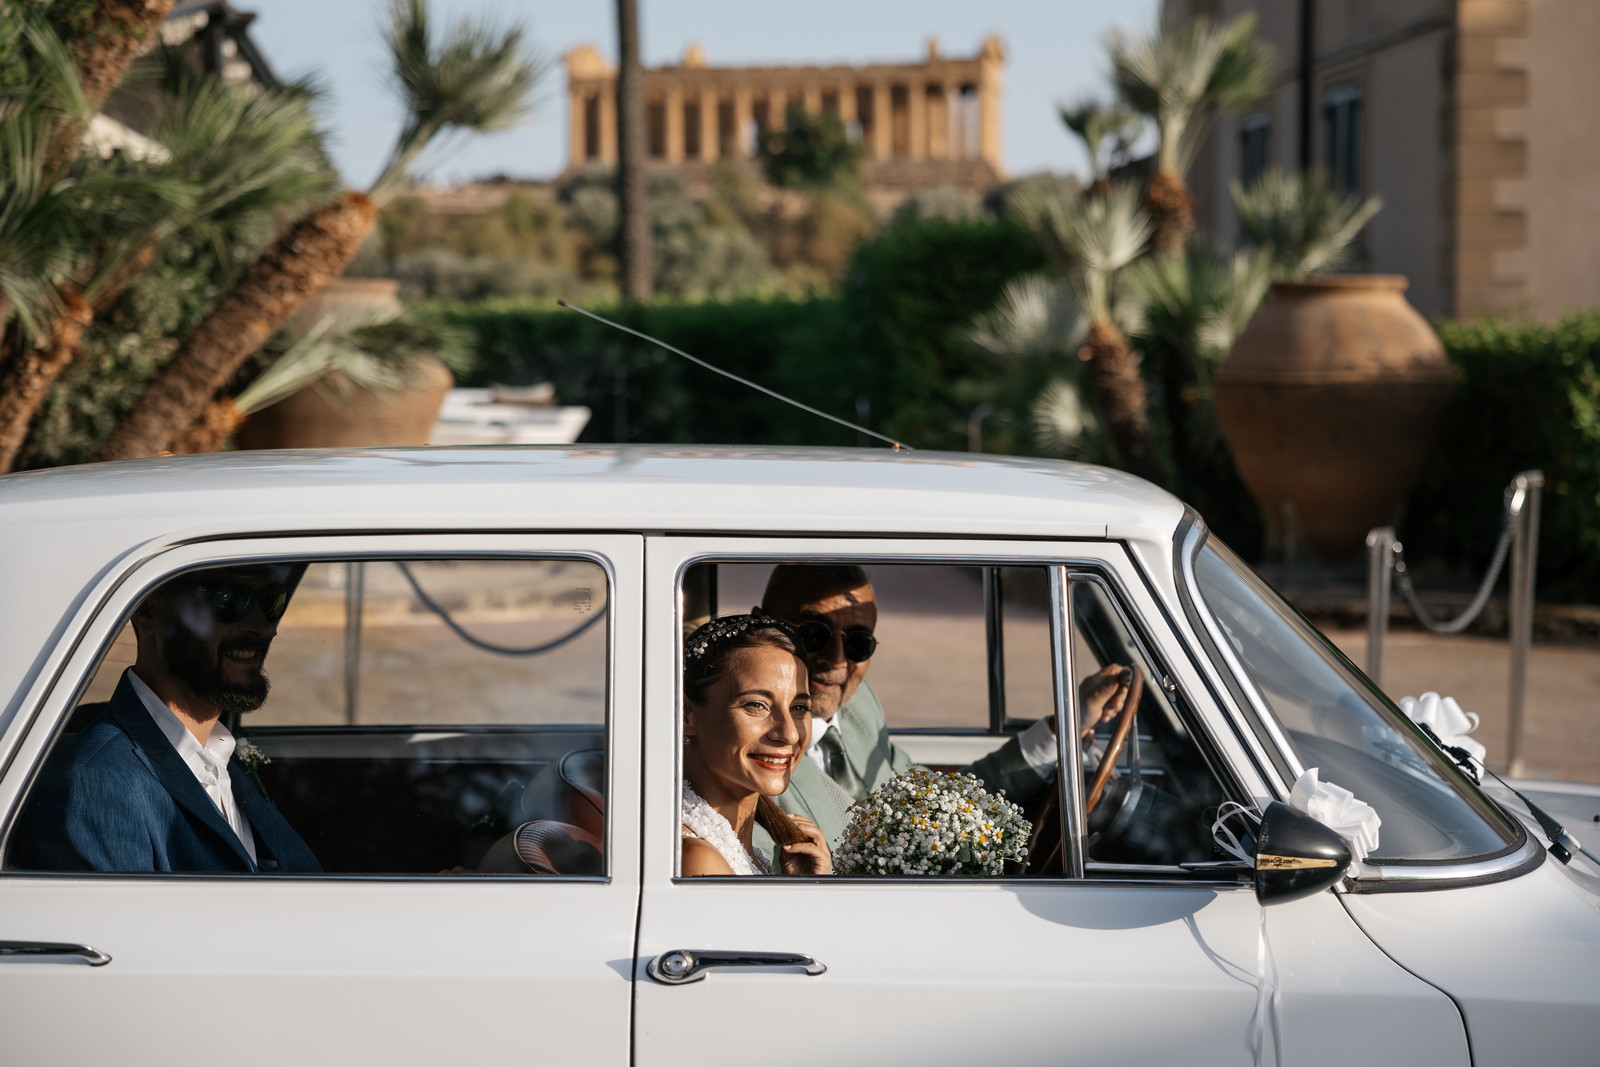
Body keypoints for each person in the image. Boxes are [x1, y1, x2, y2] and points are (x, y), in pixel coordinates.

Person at [751, 564, 1131, 866]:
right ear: (761, 624)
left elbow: (934, 802)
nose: (836, 660)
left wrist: (1067, 723)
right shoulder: (748, 747)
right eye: (812, 633)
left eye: (858, 643)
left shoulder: (858, 704)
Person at [9, 564, 320, 874]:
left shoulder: (222, 754)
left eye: (272, 601)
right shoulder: (96, 785)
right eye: (228, 599)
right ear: (147, 610)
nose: (261, 625)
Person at [680, 614, 831, 876]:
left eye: (798, 708)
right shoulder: (698, 858)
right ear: (685, 715)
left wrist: (801, 887)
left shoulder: (732, 848)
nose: (789, 734)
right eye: (756, 705)